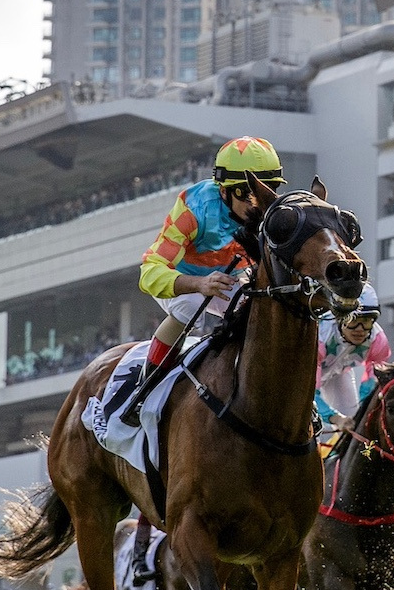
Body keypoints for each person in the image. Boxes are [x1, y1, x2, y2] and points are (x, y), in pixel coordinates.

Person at [111, 137, 283, 424]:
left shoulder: (272, 214)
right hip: (181, 282)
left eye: (266, 191)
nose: (257, 204)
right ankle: (144, 389)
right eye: (245, 193)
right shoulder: (194, 208)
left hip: (226, 281)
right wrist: (198, 284)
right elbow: (150, 272)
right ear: (224, 190)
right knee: (190, 305)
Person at [315, 284, 391, 431]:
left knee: (353, 422)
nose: (360, 329)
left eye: (367, 321)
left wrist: (360, 415)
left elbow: (370, 387)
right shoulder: (320, 337)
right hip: (298, 377)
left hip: (337, 374)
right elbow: (307, 395)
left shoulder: (378, 341)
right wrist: (335, 418)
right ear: (339, 319)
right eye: (353, 320)